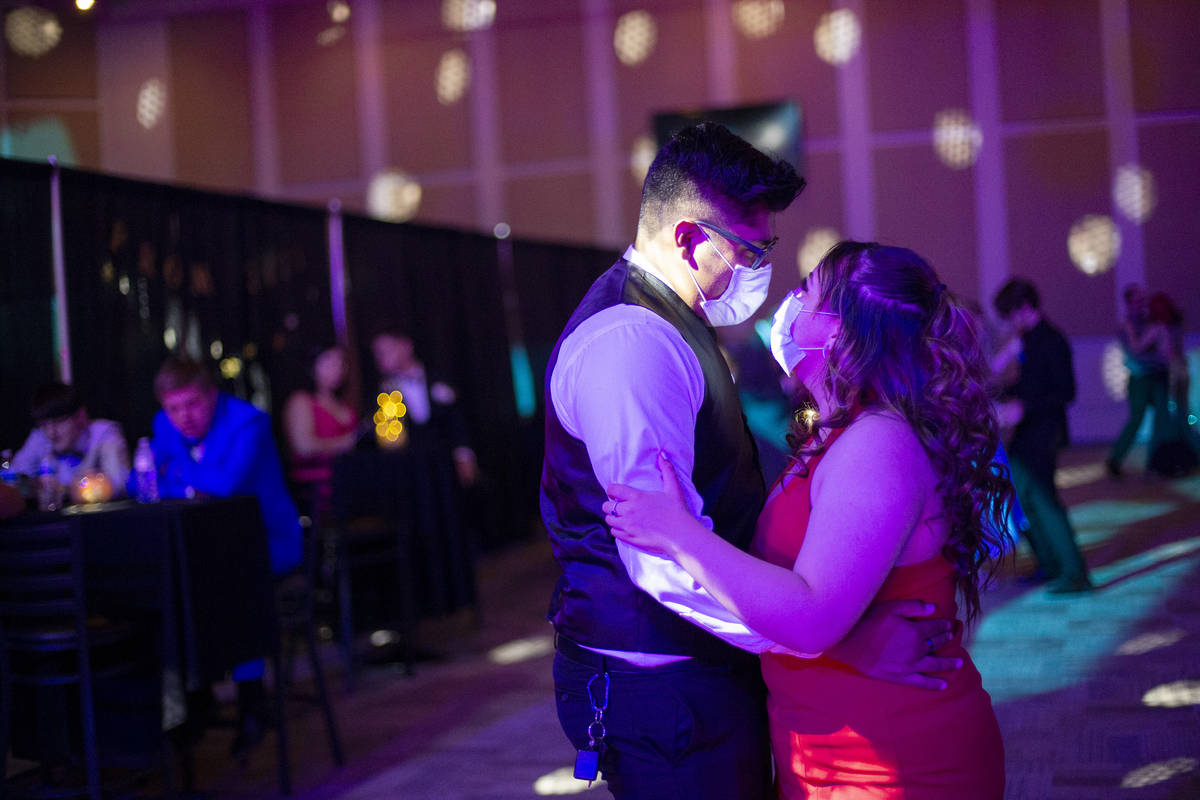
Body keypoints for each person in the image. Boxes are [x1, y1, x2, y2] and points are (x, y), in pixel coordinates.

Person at [540, 124, 962, 799]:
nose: (764, 267)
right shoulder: (630, 343)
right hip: (667, 682)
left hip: (703, 670)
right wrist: (836, 643)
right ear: (687, 237)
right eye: (752, 248)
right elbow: (661, 558)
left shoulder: (677, 318)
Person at [605, 242, 1010, 798]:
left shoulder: (878, 442)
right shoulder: (837, 434)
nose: (788, 303)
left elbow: (813, 614)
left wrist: (679, 533)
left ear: (841, 333)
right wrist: (858, 640)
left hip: (890, 759)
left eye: (807, 294)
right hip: (830, 746)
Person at [150, 356, 302, 758]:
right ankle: (192, 699)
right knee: (173, 585)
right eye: (174, 408)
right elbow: (143, 480)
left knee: (230, 581)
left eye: (193, 405)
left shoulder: (248, 421)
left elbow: (227, 483)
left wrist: (176, 473)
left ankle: (252, 699)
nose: (184, 417)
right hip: (204, 546)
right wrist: (182, 477)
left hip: (269, 542)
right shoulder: (162, 425)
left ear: (212, 395)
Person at [993, 278, 1093, 594]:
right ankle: (1050, 564)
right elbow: (1031, 384)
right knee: (1024, 498)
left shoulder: (1051, 340)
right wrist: (1005, 395)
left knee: (1045, 501)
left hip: (1044, 431)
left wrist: (1024, 406)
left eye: (1011, 314)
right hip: (1029, 432)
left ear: (1024, 307)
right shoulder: (1030, 341)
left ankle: (1074, 573)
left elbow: (1066, 391)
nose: (1010, 323)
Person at [370, 328, 478, 487]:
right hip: (409, 470)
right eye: (377, 353)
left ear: (405, 346)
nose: (381, 358)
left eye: (386, 350)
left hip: (445, 463)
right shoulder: (383, 391)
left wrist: (464, 455)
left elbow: (457, 421)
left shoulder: (439, 378)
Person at [11, 382, 130, 498]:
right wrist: (28, 485)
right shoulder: (40, 436)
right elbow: (12, 479)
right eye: (44, 424)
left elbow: (118, 485)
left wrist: (65, 489)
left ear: (81, 416)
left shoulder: (104, 433)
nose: (51, 433)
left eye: (58, 421)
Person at [283, 346, 360, 522]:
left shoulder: (344, 403)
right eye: (330, 361)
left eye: (341, 362)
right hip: (319, 487)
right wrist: (344, 442)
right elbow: (303, 446)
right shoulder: (301, 400)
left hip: (349, 480)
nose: (337, 367)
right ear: (312, 366)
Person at [1106, 284, 1170, 478]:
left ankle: (1156, 462)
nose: (1141, 304)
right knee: (1136, 420)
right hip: (1140, 380)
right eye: (1137, 300)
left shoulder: (1149, 323)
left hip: (1156, 377)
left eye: (1143, 300)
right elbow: (1135, 352)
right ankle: (1115, 460)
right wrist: (1153, 345)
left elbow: (1163, 353)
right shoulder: (1126, 325)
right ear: (1129, 303)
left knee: (1162, 418)